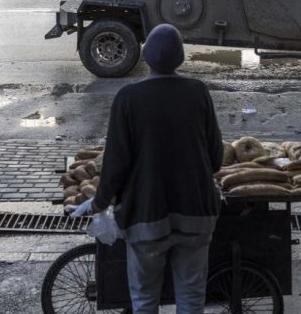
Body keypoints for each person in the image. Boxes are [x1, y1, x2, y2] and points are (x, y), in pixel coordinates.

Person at [92, 24, 224, 314]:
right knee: (191, 298)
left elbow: (116, 164)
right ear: (180, 57)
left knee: (144, 301)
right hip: (196, 216)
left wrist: (100, 202)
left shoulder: (128, 99)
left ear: (147, 57)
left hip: (146, 218)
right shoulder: (198, 92)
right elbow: (216, 158)